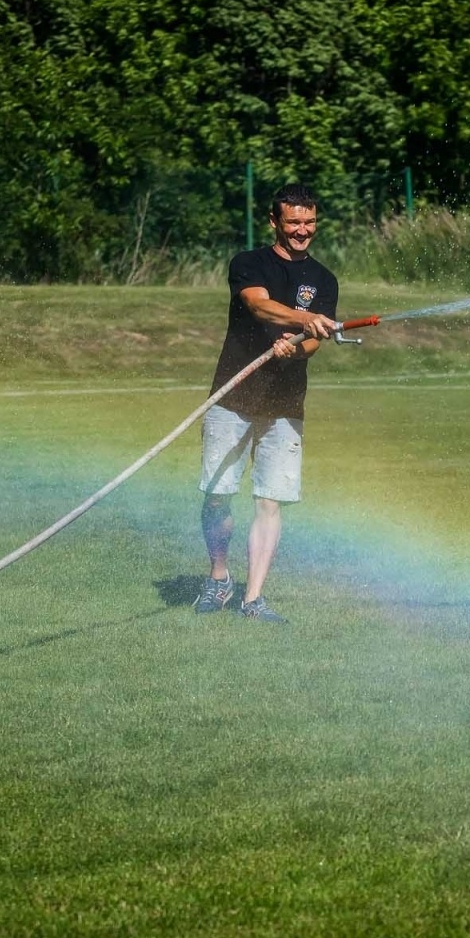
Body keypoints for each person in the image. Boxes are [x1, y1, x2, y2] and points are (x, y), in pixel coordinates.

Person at [194, 183, 339, 624]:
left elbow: (313, 343)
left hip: (285, 405)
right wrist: (304, 319)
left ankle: (252, 598)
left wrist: (294, 349)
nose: (302, 231)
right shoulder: (249, 263)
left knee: (269, 501)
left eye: (309, 222)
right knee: (218, 495)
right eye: (293, 222)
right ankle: (219, 577)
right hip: (234, 396)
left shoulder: (324, 279)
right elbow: (258, 305)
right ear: (274, 221)